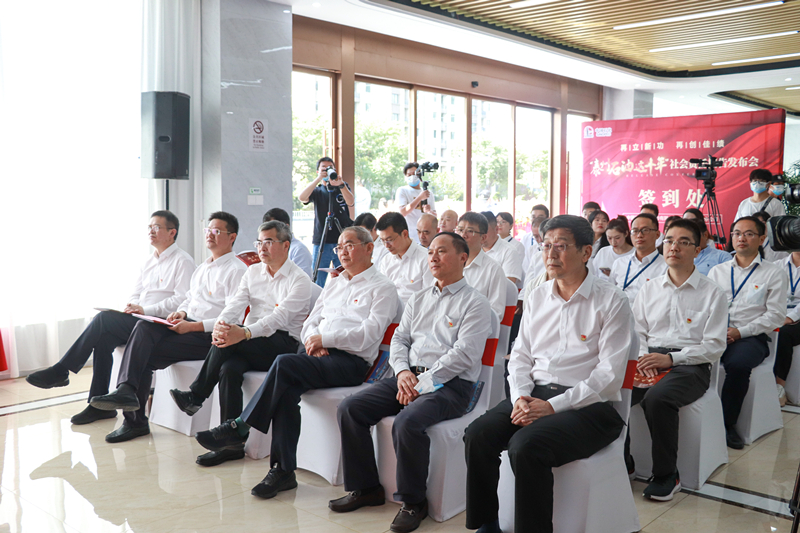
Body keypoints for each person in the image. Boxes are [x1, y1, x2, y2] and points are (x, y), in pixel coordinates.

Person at [194, 226, 399, 500]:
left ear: (369, 248)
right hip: (317, 353)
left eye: (349, 245)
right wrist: (315, 340)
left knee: (284, 363)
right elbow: (310, 321)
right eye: (339, 247)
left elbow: (368, 335)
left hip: (351, 363)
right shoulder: (335, 282)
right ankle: (283, 471)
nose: (342, 252)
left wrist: (326, 339)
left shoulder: (383, 287)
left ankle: (241, 426)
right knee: (286, 391)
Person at [464, 215, 631, 533]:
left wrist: (553, 406)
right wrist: (520, 397)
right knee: (478, 434)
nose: (551, 254)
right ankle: (488, 524)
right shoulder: (538, 296)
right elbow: (520, 356)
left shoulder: (611, 300)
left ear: (586, 252)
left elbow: (608, 375)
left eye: (561, 246)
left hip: (589, 408)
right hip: (536, 394)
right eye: (546, 246)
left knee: (526, 446)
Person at [330, 232, 492, 532]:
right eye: (430, 252)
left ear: (462, 258)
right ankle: (366, 488)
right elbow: (400, 340)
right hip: (408, 377)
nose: (433, 257)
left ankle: (413, 502)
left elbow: (464, 355)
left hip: (452, 385)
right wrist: (403, 372)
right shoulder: (418, 298)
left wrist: (423, 383)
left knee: (408, 421)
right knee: (351, 408)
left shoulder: (476, 303)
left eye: (441, 251)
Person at [88, 212, 247, 442]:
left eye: (216, 231)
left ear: (232, 237)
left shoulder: (237, 270)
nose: (209, 235)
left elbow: (233, 320)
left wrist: (192, 327)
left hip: (208, 337)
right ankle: (128, 398)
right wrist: (181, 313)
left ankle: (133, 417)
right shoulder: (203, 267)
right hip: (188, 325)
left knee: (143, 352)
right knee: (144, 328)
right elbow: (189, 299)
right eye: (208, 230)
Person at [25, 210, 195, 425]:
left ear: (172, 232)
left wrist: (145, 309)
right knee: (103, 338)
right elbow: (136, 292)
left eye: (156, 227)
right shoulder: (148, 261)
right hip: (141, 318)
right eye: (149, 227)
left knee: (103, 320)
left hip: (159, 325)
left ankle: (62, 370)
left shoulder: (183, 261)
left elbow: (182, 300)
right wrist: (132, 306)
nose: (151, 231)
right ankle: (98, 406)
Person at [168, 220, 313, 466]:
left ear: (286, 245)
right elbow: (235, 304)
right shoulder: (253, 272)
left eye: (269, 242)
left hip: (282, 343)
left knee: (231, 340)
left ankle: (196, 395)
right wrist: (222, 325)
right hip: (252, 340)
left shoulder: (299, 280)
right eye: (259, 242)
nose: (262, 248)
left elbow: (277, 320)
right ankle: (231, 445)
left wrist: (243, 333)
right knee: (228, 368)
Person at [626, 219, 727, 501]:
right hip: (649, 358)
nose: (674, 247)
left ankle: (667, 475)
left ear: (697, 250)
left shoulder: (713, 292)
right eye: (669, 240)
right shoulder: (649, 288)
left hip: (691, 365)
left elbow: (714, 345)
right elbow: (637, 330)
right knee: (613, 391)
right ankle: (625, 462)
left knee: (658, 399)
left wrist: (671, 358)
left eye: (684, 242)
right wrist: (644, 356)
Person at [708, 216, 787, 449]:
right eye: (736, 233)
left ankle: (726, 424)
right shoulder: (717, 271)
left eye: (749, 234)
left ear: (762, 239)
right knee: (691, 358)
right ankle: (700, 418)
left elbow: (775, 316)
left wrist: (740, 332)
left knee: (738, 365)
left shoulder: (773, 273)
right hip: (715, 333)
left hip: (751, 337)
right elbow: (706, 306)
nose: (741, 238)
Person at [298, 157, 355, 286]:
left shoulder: (342, 186)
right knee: (318, 280)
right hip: (322, 240)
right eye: (323, 168)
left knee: (345, 278)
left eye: (330, 168)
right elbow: (302, 197)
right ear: (318, 171)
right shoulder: (317, 190)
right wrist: (318, 179)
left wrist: (341, 185)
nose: (327, 170)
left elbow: (351, 202)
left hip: (342, 240)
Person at [456, 212, 508, 320]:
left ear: (483, 238)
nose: (463, 235)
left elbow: (496, 313)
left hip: (474, 326)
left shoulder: (493, 270)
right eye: (460, 230)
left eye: (470, 231)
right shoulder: (448, 264)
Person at [375, 212, 434, 305]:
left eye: (389, 240)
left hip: (415, 311)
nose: (386, 245)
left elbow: (429, 298)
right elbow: (382, 293)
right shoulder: (386, 260)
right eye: (383, 241)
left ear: (405, 234)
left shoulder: (425, 258)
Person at [610, 213, 667, 302]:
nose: (639, 235)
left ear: (657, 234)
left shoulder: (666, 267)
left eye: (645, 230)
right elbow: (610, 292)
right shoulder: (619, 263)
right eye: (635, 231)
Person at [775, 251, 800, 407]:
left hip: (796, 317)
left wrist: (790, 317)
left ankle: (779, 386)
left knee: (783, 334)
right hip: (777, 313)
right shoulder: (777, 266)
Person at [262, 207, 313, 278]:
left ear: (286, 227)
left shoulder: (299, 250)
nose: (268, 232)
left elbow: (303, 279)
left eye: (272, 228)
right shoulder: (264, 248)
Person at [396, 162, 436, 244]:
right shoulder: (402, 190)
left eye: (414, 174)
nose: (412, 176)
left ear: (420, 174)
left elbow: (434, 217)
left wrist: (429, 211)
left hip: (425, 238)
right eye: (409, 175)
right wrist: (420, 198)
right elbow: (403, 212)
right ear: (405, 176)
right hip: (409, 236)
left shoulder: (428, 193)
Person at [480, 211, 523, 285]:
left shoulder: (510, 251)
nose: (481, 235)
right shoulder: (472, 249)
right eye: (477, 231)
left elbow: (508, 285)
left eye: (485, 231)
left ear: (496, 229)